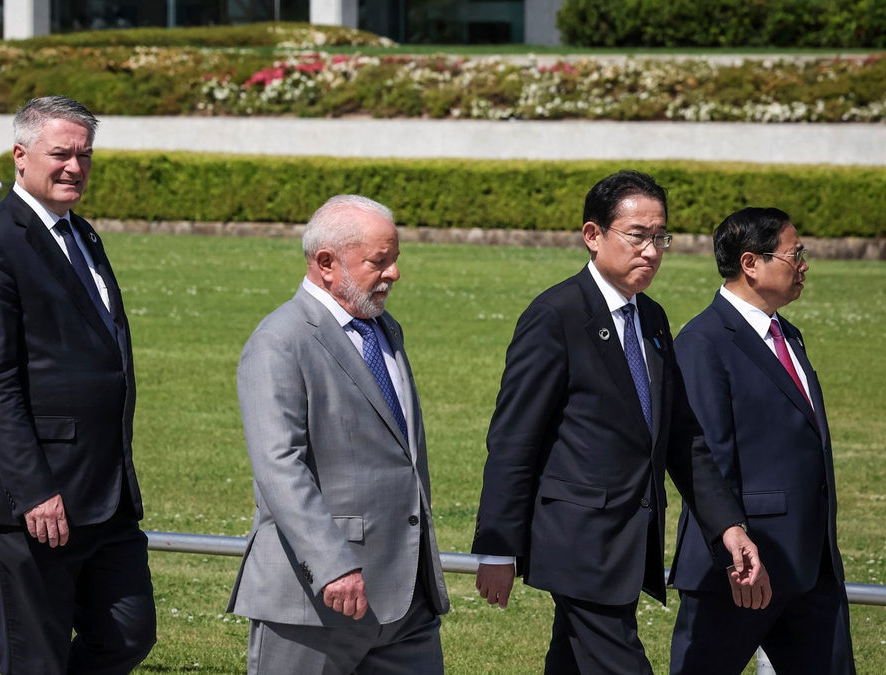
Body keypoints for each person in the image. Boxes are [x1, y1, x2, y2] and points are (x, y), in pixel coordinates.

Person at [471, 170, 770, 675]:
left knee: (571, 662)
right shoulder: (555, 315)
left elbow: (681, 436)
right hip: (579, 543)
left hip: (631, 541)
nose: (651, 251)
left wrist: (728, 525)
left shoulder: (651, 318)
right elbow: (513, 438)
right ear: (593, 236)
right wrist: (498, 548)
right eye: (638, 236)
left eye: (661, 238)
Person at [0, 95, 155, 675]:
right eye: (61, 154)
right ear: (20, 155)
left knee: (129, 635)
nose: (75, 167)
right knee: (35, 660)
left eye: (84, 155)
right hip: (31, 498)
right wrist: (34, 488)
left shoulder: (81, 234)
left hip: (104, 491)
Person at [228, 195, 450, 674]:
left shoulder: (385, 329)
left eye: (395, 260)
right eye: (379, 261)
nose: (394, 273)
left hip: (406, 599)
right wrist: (333, 564)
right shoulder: (279, 341)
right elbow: (279, 466)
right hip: (314, 601)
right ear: (326, 263)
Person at [668, 208, 855, 674]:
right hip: (740, 570)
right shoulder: (703, 341)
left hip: (810, 567)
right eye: (796, 255)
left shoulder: (788, 334)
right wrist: (734, 550)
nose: (805, 265)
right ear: (751, 263)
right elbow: (707, 456)